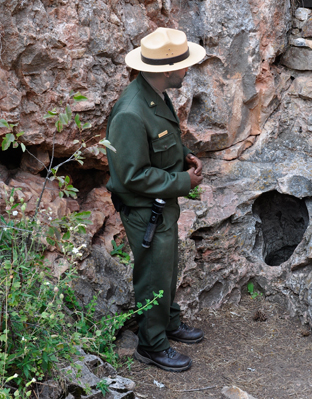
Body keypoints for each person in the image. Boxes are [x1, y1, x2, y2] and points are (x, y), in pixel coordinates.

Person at [105, 27, 206, 372]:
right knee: (152, 275)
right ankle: (152, 344)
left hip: (160, 206)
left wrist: (185, 156)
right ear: (166, 70)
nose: (187, 70)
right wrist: (182, 180)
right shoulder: (131, 111)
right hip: (144, 209)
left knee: (165, 268)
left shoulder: (155, 94)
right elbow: (130, 175)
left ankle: (169, 321)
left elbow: (160, 143)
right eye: (184, 65)